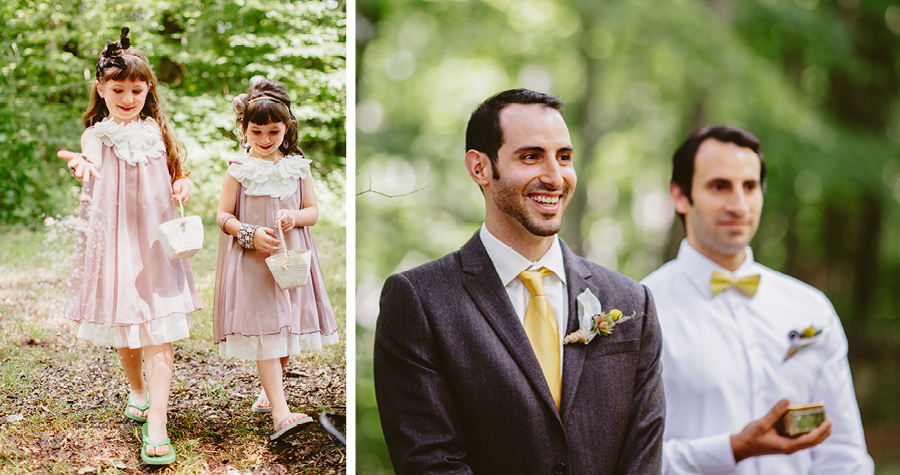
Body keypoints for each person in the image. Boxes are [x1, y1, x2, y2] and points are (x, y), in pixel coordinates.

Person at [374, 89, 665, 474]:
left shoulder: (632, 301)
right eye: (531, 157)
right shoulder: (419, 301)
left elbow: (643, 457)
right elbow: (430, 462)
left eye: (563, 157)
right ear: (480, 168)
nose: (554, 176)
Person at [641, 126, 873, 474]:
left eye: (749, 187)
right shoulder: (643, 310)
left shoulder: (812, 308)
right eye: (720, 186)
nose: (739, 204)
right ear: (680, 196)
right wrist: (730, 449)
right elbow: (627, 458)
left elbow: (844, 452)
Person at [58, 28, 200, 465]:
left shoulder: (157, 131)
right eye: (117, 89)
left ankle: (157, 423)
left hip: (157, 244)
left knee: (159, 331)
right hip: (119, 244)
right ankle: (136, 388)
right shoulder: (98, 136)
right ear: (100, 89)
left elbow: (178, 172)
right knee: (128, 325)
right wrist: (84, 165)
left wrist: (182, 184)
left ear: (148, 90)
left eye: (136, 89)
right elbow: (93, 157)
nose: (127, 97)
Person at [213, 78, 339, 441]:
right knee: (267, 331)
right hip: (254, 262)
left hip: (292, 259)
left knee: (286, 327)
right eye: (257, 131)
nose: (265, 139)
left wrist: (292, 218)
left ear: (286, 129)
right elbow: (222, 216)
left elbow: (312, 212)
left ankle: (268, 396)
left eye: (274, 131)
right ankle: (281, 414)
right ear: (244, 129)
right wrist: (249, 233)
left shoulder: (297, 166)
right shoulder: (238, 168)